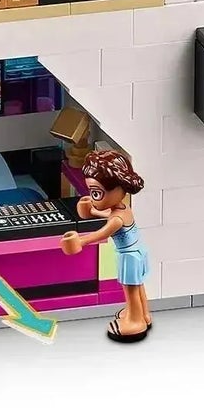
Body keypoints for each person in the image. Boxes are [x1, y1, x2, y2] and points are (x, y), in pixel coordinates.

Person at [59, 147, 153, 342]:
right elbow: (109, 215)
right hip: (137, 252)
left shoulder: (117, 219)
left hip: (128, 257)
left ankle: (135, 320)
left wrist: (81, 241)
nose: (93, 198)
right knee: (138, 286)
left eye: (96, 193)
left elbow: (102, 233)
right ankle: (143, 314)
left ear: (117, 188)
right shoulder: (123, 208)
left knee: (130, 289)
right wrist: (93, 211)